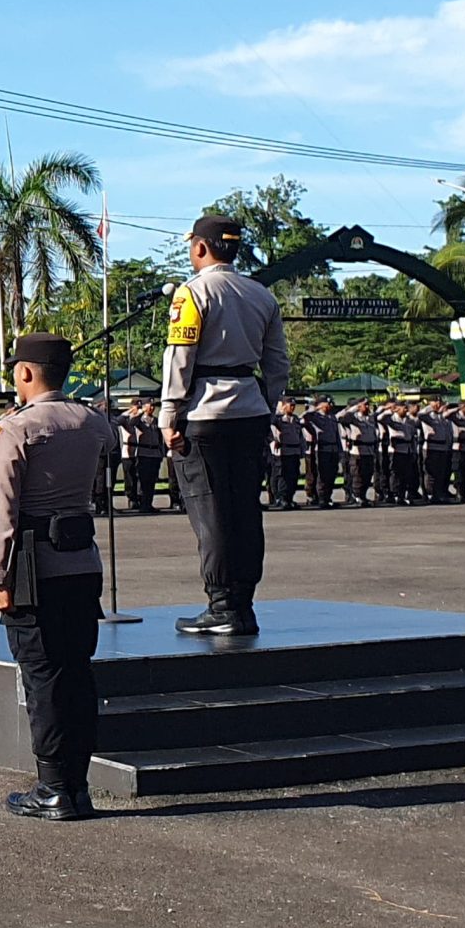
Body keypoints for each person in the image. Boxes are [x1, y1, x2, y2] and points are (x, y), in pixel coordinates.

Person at [0, 333, 120, 821]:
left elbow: (2, 508)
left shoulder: (16, 428)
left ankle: (52, 789)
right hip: (82, 562)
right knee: (77, 675)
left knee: (42, 678)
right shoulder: (93, 421)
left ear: (25, 372)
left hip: (32, 567)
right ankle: (76, 786)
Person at [160, 214, 290, 637]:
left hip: (205, 413)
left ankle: (220, 606)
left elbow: (180, 358)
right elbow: (277, 363)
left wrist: (168, 415)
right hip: (249, 411)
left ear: (200, 247)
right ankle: (244, 604)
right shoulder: (261, 295)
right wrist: (264, 405)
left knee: (210, 510)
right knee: (245, 512)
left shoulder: (192, 293)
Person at [268, 398, 308, 510]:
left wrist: (302, 449)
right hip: (283, 452)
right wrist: (279, 409)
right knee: (282, 476)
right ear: (284, 406)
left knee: (293, 476)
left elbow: (300, 436)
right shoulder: (278, 419)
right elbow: (269, 420)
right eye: (290, 405)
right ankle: (281, 498)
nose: (293, 407)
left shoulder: (295, 419)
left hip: (294, 451)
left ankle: (289, 498)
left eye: (294, 405)